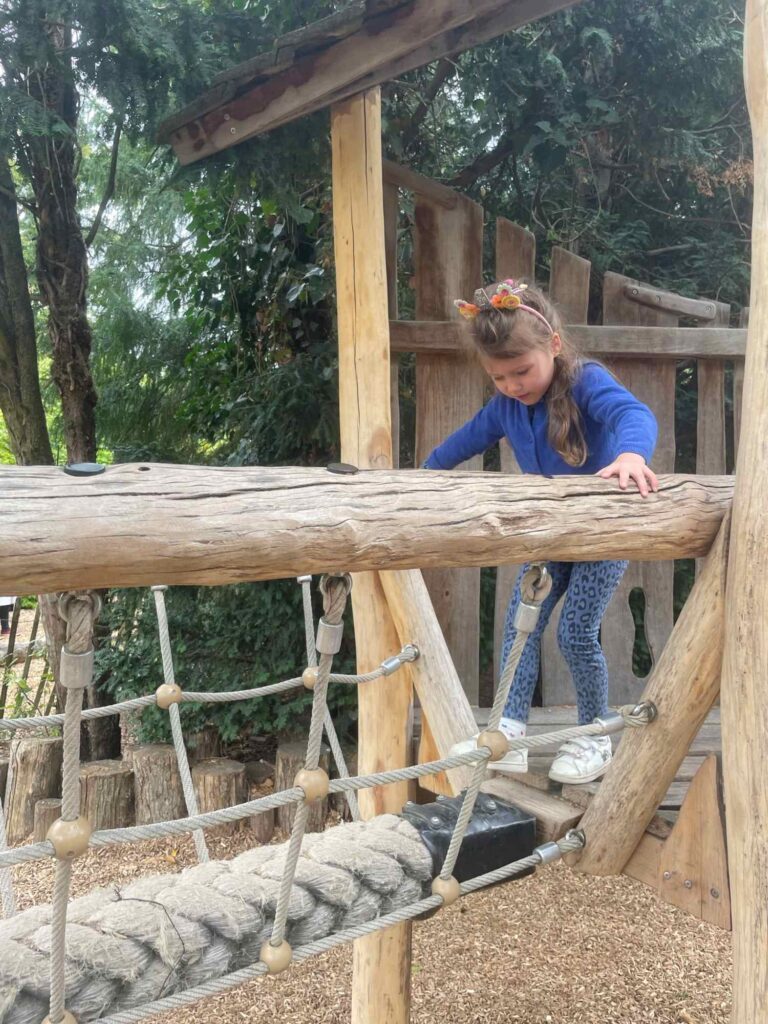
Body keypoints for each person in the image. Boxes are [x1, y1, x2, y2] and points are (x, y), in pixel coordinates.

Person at [424, 279, 658, 784]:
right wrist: (418, 480)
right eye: (499, 376)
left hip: (599, 535)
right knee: (519, 630)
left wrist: (631, 454)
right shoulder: (506, 406)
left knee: (576, 633)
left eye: (521, 371)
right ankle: (508, 735)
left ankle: (594, 734)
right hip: (549, 537)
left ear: (552, 345)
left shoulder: (584, 381)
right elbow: (460, 443)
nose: (512, 385)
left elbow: (631, 413)